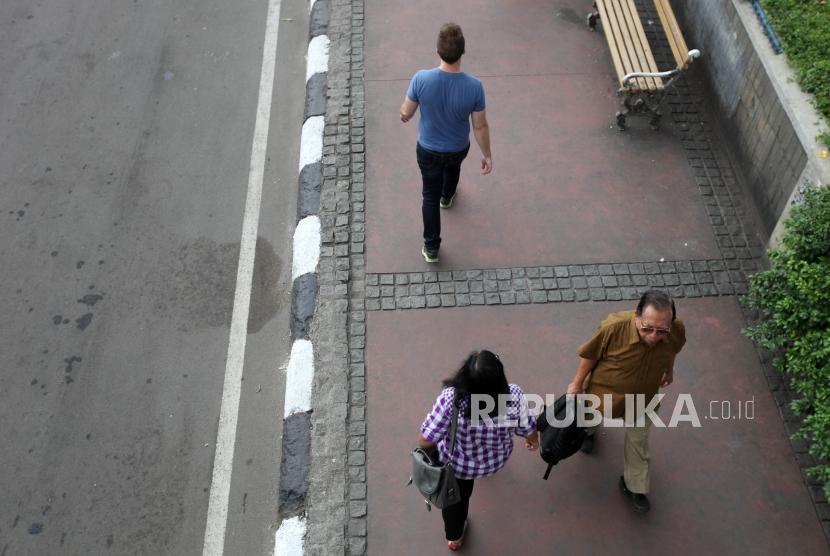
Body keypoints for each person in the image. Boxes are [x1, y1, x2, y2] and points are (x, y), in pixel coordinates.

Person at [566, 290, 686, 513]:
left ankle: (635, 485)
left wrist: (669, 370)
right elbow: (590, 355)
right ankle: (588, 433)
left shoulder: (675, 329)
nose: (653, 336)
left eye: (661, 331)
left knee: (638, 442)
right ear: (637, 315)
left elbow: (673, 349)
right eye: (647, 328)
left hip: (644, 398)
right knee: (590, 416)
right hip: (604, 393)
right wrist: (576, 383)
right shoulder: (614, 327)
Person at [418, 350, 538, 551]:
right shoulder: (514, 396)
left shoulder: (451, 400)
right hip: (494, 461)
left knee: (456, 503)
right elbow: (527, 428)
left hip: (458, 466)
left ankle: (454, 538)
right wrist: (532, 439)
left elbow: (425, 439)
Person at [400, 22, 492, 264]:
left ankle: (431, 248)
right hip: (458, 148)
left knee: (428, 196)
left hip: (427, 150)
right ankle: (448, 196)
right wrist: (487, 154)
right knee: (453, 169)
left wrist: (405, 114)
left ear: (438, 51)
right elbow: (480, 126)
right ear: (463, 51)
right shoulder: (475, 87)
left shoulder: (421, 79)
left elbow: (406, 111)